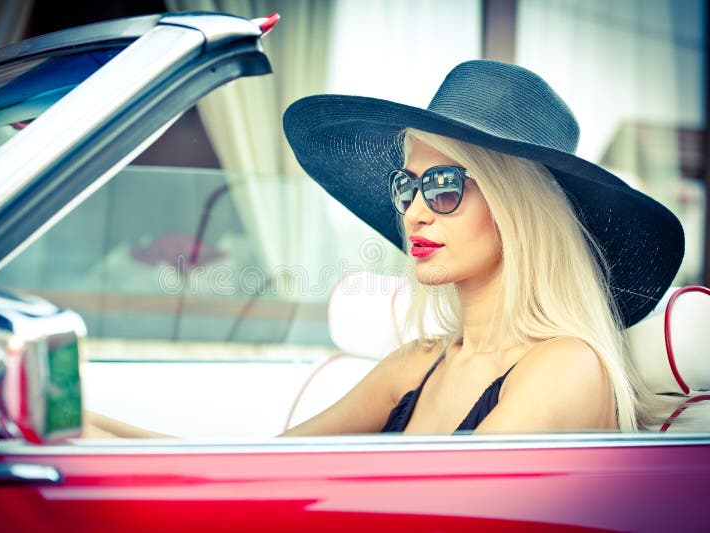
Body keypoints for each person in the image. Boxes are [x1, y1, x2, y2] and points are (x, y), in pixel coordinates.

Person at [280, 60, 684, 435]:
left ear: (519, 209)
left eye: (443, 185)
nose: (414, 213)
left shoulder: (566, 366)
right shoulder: (417, 363)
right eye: (406, 187)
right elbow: (265, 466)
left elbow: (440, 509)